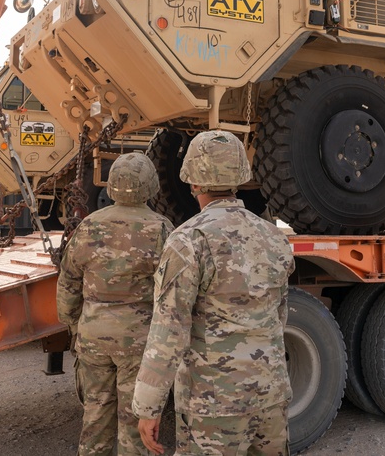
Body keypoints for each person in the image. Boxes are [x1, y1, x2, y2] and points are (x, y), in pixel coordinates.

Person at [132, 130, 295, 455]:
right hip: (270, 396)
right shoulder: (274, 237)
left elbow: (169, 331)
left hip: (213, 404)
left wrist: (148, 406)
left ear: (192, 182)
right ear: (240, 178)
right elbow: (279, 315)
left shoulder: (187, 241)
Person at [56, 152, 174, 456]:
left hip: (93, 338)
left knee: (94, 417)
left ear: (111, 187)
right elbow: (173, 291)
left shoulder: (89, 226)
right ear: (150, 186)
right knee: (134, 426)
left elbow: (69, 284)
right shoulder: (162, 229)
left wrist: (74, 327)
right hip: (139, 343)